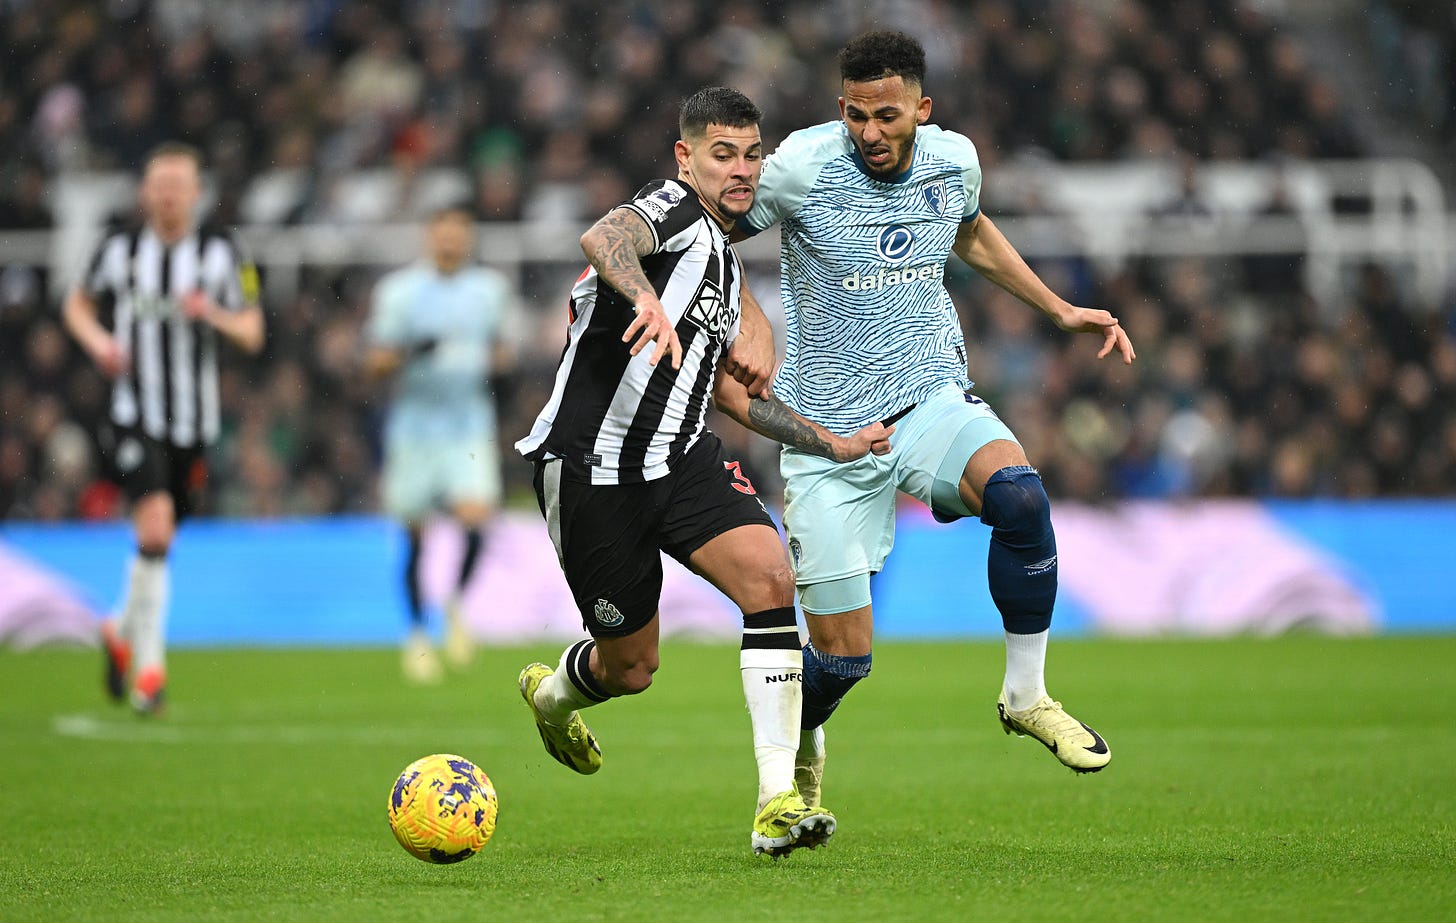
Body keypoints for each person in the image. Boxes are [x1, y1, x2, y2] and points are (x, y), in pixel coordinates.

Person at [733, 31, 1138, 809]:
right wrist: (751, 312)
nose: (871, 133)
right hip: (826, 437)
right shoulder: (799, 169)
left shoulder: (956, 160)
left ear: (923, 107)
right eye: (855, 115)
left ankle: (1026, 696)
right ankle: (804, 735)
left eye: (887, 115)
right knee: (843, 661)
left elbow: (970, 229)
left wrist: (1056, 309)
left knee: (1020, 496)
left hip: (928, 397)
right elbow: (715, 230)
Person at [513, 86, 893, 857]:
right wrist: (645, 297)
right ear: (686, 157)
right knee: (632, 667)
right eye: (724, 154)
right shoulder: (673, 208)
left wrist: (832, 440)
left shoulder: (722, 261)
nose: (742, 170)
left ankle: (774, 797)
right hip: (594, 470)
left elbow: (726, 393)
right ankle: (554, 696)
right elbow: (606, 234)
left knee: (769, 577)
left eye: (753, 155)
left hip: (682, 458)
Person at [63, 141, 265, 715]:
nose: (169, 193)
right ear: (145, 192)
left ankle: (118, 626)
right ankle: (150, 673)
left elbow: (252, 332)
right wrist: (100, 341)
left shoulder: (223, 251)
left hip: (194, 426)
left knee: (162, 541)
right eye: (160, 183)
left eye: (179, 183)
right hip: (135, 415)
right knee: (153, 531)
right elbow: (76, 305)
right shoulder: (120, 248)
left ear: (196, 192)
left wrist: (213, 315)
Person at [364, 206, 517, 684]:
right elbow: (374, 363)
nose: (451, 242)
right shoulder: (399, 293)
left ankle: (453, 600)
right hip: (413, 427)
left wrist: (496, 360)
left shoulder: (489, 291)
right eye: (443, 234)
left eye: (459, 234)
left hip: (467, 425)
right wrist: (410, 351)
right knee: (414, 534)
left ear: (468, 240)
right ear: (429, 238)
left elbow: (502, 350)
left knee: (476, 519)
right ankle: (415, 635)